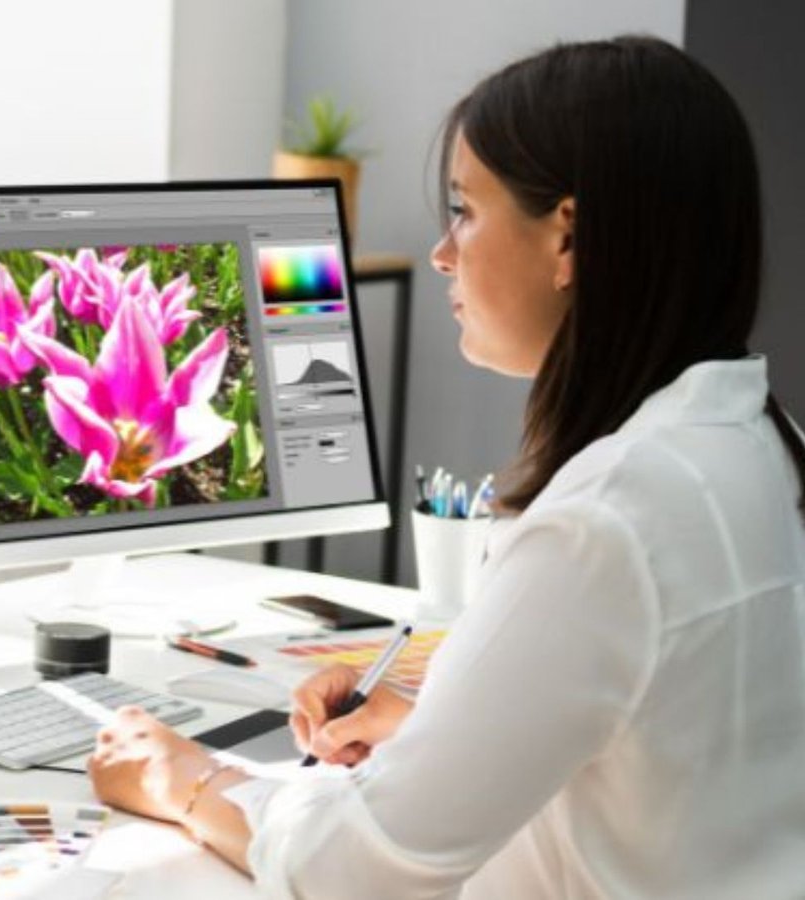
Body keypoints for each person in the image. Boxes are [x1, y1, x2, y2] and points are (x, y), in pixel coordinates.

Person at [87, 35, 805, 898]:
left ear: (567, 237)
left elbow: (354, 870)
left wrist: (188, 782)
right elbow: (682, 740)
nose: (440, 252)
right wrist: (453, 721)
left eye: (464, 209)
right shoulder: (757, 441)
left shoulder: (606, 523)